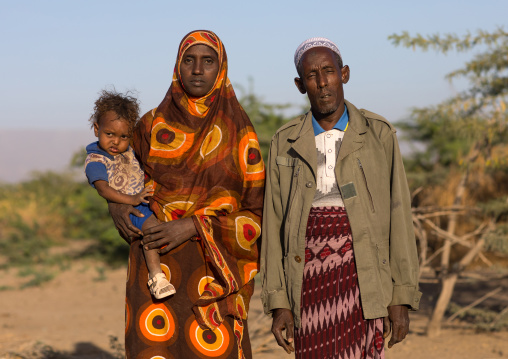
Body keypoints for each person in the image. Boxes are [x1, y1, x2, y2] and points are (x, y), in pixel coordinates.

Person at [260, 37, 422, 359]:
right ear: (299, 84)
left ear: (344, 74)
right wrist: (279, 302)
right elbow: (273, 224)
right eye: (311, 75)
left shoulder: (379, 134)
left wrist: (401, 295)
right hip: (307, 284)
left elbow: (399, 214)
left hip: (365, 279)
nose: (322, 83)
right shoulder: (285, 141)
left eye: (328, 72)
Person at [108, 30, 265, 358]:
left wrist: (195, 226)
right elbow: (114, 165)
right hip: (154, 262)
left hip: (211, 267)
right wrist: (115, 207)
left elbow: (257, 212)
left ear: (220, 68)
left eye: (208, 61)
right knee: (154, 347)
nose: (197, 69)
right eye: (189, 60)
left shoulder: (240, 133)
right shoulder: (151, 124)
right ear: (177, 67)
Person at [84, 90, 176, 299]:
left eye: (123, 136)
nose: (116, 142)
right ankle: (156, 277)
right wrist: (131, 200)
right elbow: (103, 189)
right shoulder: (96, 161)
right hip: (131, 206)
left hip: (143, 199)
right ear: (97, 129)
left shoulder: (129, 151)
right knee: (153, 231)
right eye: (110, 134)